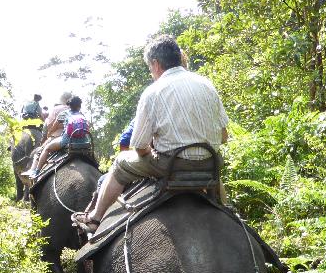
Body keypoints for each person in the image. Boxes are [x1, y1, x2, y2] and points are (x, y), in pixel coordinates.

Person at [73, 35, 228, 232]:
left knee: (120, 163)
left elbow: (138, 146)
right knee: (216, 176)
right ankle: (228, 211)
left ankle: (95, 218)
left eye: (149, 68)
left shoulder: (153, 92)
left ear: (155, 64)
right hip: (209, 164)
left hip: (170, 166)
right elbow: (224, 136)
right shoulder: (207, 85)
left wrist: (150, 153)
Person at [26, 96, 90, 177]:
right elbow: (88, 127)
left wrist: (50, 133)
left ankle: (36, 172)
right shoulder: (82, 114)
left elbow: (54, 127)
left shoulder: (64, 114)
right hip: (85, 142)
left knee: (47, 148)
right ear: (79, 106)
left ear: (69, 105)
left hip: (67, 140)